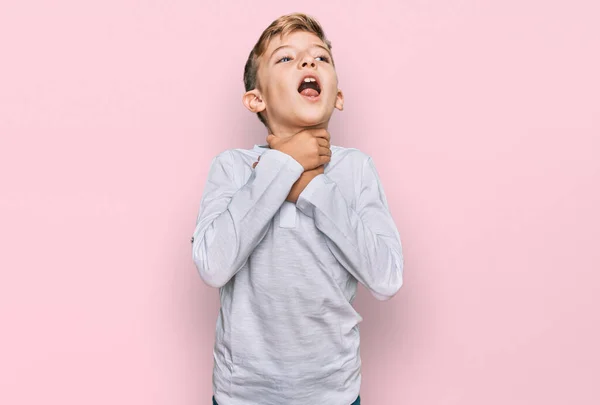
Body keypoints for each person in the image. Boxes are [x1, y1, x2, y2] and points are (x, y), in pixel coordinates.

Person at [191, 12, 404, 405]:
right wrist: (284, 166)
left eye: (320, 57)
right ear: (257, 98)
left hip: (333, 394)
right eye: (286, 58)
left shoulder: (355, 169)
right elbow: (213, 265)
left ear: (338, 96)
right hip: (242, 395)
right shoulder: (233, 169)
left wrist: (311, 185)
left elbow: (387, 277)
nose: (308, 63)